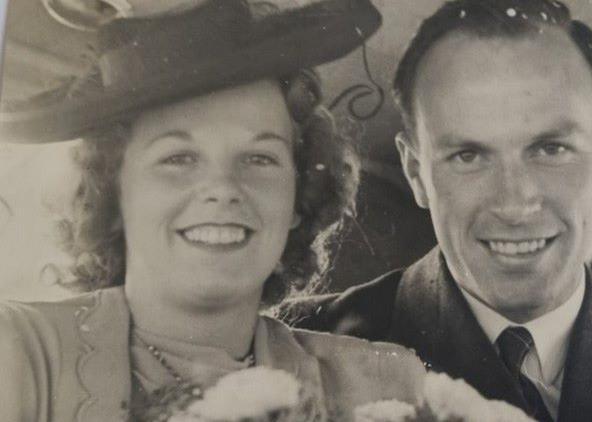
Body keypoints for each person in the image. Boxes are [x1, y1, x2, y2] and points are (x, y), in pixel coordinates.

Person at [284, 0, 592, 420]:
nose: (515, 202)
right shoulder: (294, 354)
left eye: (550, 149)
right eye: (468, 156)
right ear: (414, 171)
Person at [0, 1, 426, 421]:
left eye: (260, 159)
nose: (223, 189)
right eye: (178, 158)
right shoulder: (18, 357)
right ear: (112, 194)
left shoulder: (381, 387)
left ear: (298, 196)